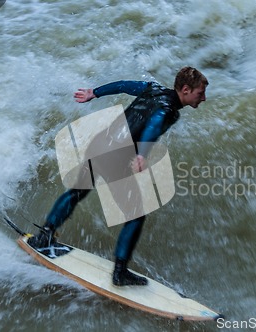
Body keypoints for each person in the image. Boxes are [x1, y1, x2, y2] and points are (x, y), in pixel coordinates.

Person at [28, 67, 208, 286]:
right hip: (116, 158)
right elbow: (155, 122)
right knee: (136, 215)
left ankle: (44, 235)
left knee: (77, 191)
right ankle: (120, 272)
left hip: (99, 144)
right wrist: (142, 154)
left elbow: (123, 84)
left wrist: (94, 92)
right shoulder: (170, 109)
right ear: (186, 90)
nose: (204, 98)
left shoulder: (152, 88)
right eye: (200, 93)